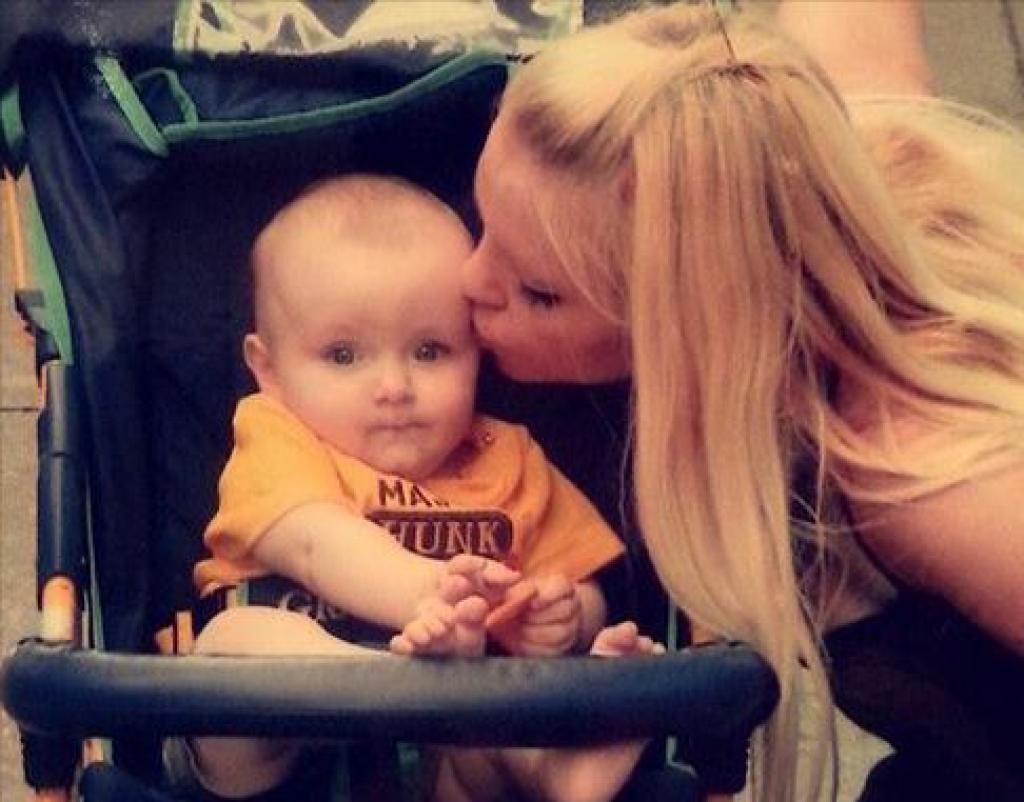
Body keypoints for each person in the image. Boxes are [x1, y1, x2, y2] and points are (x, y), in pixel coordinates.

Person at [457, 2, 1024, 801]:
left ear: (691, 320)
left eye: (541, 294)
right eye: (483, 224)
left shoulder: (912, 476)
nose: (469, 282)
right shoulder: (799, 153)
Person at [177, 174, 628, 800]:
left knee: (506, 699)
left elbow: (577, 576)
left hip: (451, 744)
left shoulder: (510, 460)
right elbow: (313, 543)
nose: (394, 387)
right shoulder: (276, 434)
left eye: (430, 351)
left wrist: (565, 618)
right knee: (235, 642)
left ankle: (550, 771)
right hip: (279, 753)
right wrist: (428, 599)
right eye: (343, 355)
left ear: (476, 354)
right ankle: (373, 684)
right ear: (269, 369)